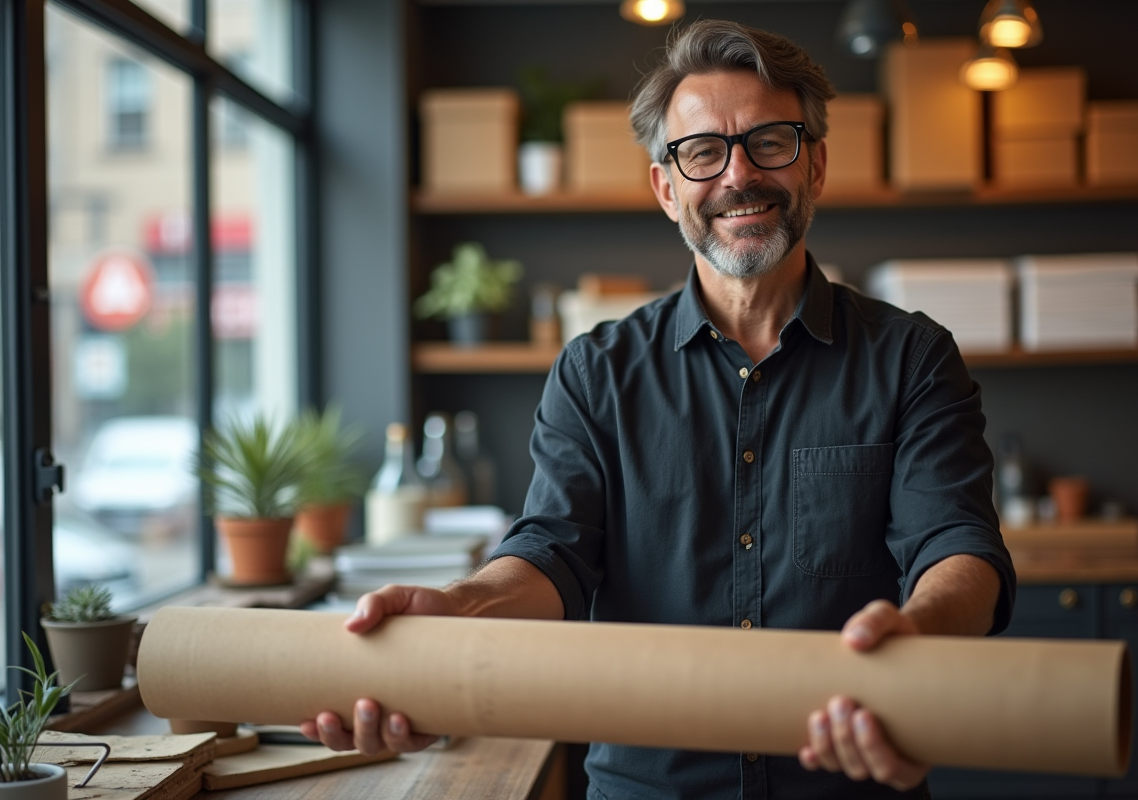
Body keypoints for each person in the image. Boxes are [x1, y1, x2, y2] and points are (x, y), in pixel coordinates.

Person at [302, 19, 1016, 800]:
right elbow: (555, 553)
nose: (738, 176)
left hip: (849, 781)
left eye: (770, 142)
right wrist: (459, 607)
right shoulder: (595, 372)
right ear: (666, 188)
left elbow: (959, 548)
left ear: (814, 163)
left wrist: (918, 640)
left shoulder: (911, 358)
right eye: (703, 152)